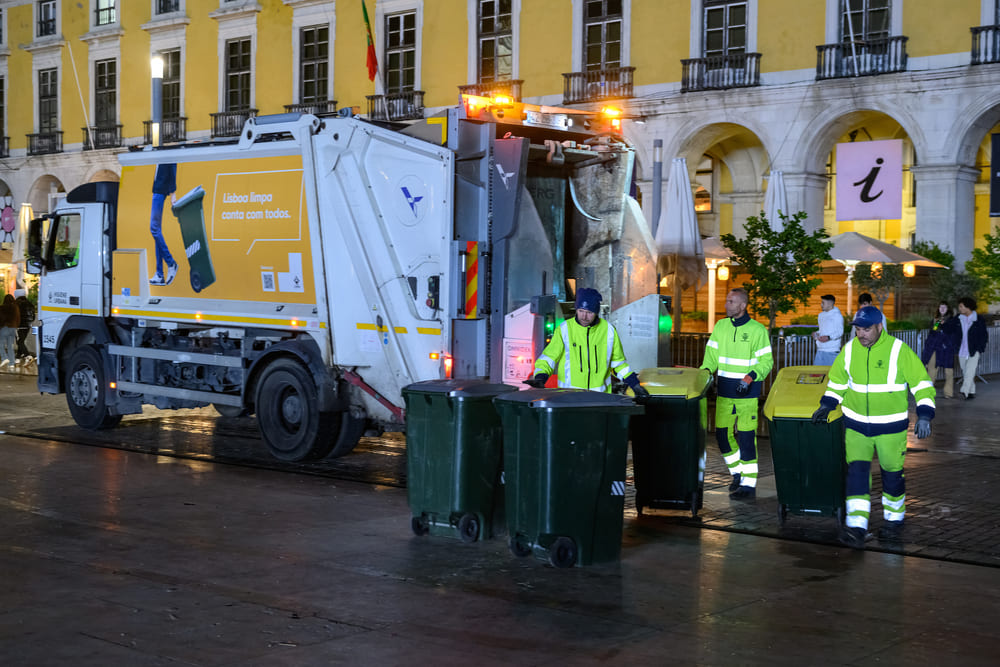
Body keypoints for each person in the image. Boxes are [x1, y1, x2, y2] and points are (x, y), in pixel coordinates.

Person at [811, 306, 935, 548]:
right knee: (857, 474)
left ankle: (894, 520)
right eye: (858, 329)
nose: (861, 334)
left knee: (892, 475)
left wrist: (925, 415)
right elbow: (837, 382)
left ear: (880, 327)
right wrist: (827, 404)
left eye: (866, 329)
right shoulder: (848, 351)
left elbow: (922, 385)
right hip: (856, 426)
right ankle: (857, 527)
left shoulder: (899, 350)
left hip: (891, 428)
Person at [700, 288, 773, 500]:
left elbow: (766, 362)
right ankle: (738, 474)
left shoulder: (757, 330)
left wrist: (750, 377)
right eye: (726, 301)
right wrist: (705, 373)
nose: (726, 305)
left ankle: (749, 486)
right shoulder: (721, 326)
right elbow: (711, 356)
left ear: (742, 306)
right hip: (724, 391)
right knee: (722, 436)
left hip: (747, 393)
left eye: (731, 302)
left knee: (747, 439)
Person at [527, 288, 649, 399]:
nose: (584, 316)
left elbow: (618, 364)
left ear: (596, 312)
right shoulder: (565, 329)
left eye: (589, 312)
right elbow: (548, 358)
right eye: (581, 311)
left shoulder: (608, 331)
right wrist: (540, 377)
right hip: (570, 396)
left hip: (600, 398)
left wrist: (634, 384)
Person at [149, 163, 179, 286]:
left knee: (154, 228)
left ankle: (171, 262)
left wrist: (173, 194)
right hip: (158, 190)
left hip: (160, 191)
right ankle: (159, 274)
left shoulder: (167, 152)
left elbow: (172, 168)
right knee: (157, 232)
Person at [921, 302, 957, 399]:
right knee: (931, 370)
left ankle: (948, 393)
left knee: (948, 371)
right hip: (935, 348)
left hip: (946, 349)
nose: (942, 309)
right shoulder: (935, 320)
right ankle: (928, 392)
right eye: (941, 307)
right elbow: (933, 331)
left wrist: (944, 325)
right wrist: (937, 323)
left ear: (948, 308)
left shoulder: (952, 320)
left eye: (944, 307)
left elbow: (950, 332)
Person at [955, 297, 988, 400]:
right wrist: (937, 324)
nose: (959, 308)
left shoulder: (979, 319)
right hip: (962, 350)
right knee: (966, 372)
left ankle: (964, 391)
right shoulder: (958, 318)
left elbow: (984, 335)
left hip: (974, 350)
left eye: (961, 306)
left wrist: (980, 348)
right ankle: (971, 391)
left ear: (967, 307)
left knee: (969, 371)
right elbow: (945, 328)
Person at [812, 294, 843, 365]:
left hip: (832, 351)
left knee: (831, 375)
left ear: (830, 303)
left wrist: (829, 337)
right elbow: (822, 330)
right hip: (820, 350)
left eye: (823, 303)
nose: (821, 305)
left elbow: (840, 331)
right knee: (817, 374)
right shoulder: (820, 315)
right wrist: (816, 333)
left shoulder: (837, 315)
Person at [13, 289, 36, 362]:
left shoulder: (16, 304)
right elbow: (33, 315)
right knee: (21, 340)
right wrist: (30, 322)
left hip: (19, 325)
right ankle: (18, 356)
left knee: (19, 342)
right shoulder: (29, 303)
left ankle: (27, 355)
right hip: (28, 325)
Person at [0, 293, 20, 370]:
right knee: (10, 346)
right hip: (13, 328)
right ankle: (11, 363)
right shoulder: (16, 308)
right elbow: (18, 319)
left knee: (1, 344)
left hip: (4, 327)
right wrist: (16, 326)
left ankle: (4, 357)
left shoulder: (2, 308)